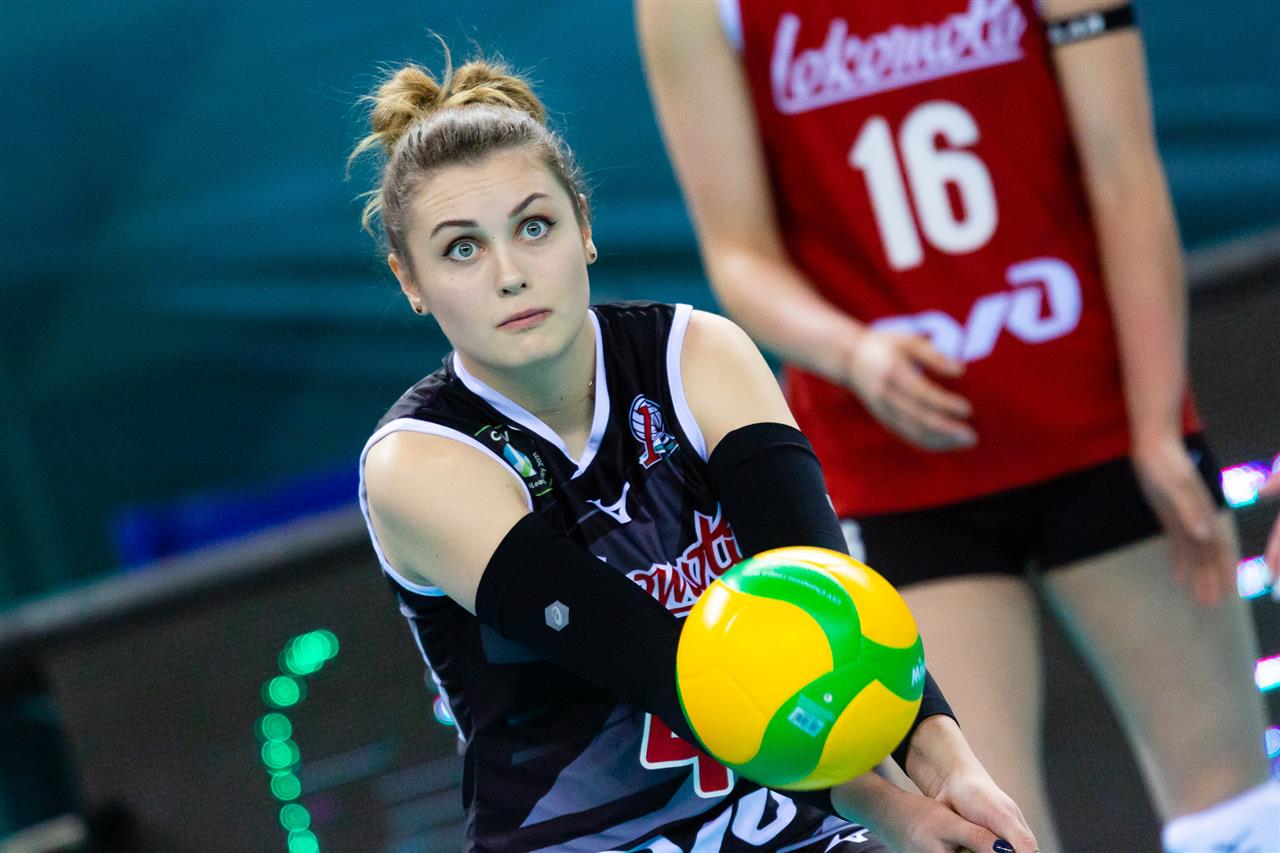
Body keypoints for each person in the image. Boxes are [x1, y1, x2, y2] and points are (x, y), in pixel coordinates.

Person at [351, 51, 1040, 853]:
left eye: (534, 227)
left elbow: (830, 603)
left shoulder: (698, 356)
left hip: (788, 823)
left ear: (584, 227)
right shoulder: (417, 465)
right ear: (410, 280)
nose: (510, 275)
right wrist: (899, 812)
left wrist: (950, 763)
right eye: (461, 250)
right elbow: (674, 669)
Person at [637, 1, 1277, 851]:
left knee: (1235, 814)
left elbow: (1124, 168)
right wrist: (855, 352)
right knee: (986, 830)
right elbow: (738, 256)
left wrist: (1159, 423)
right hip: (894, 474)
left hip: (1103, 425)